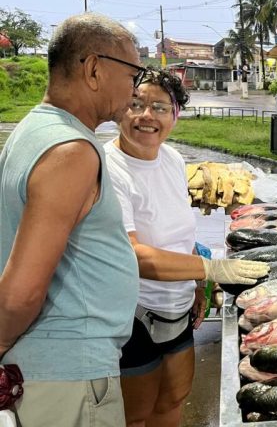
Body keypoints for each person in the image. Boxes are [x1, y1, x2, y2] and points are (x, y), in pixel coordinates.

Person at [0, 12, 144, 426]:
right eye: (132, 72)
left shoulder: (34, 129)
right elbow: (21, 292)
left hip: (56, 370)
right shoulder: (71, 152)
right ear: (95, 69)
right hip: (67, 374)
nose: (135, 88)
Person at [104, 67, 268, 427]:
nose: (147, 116)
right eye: (136, 104)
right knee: (136, 413)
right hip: (135, 312)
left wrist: (197, 284)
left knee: (173, 401)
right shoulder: (109, 169)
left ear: (175, 115)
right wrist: (210, 270)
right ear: (119, 109)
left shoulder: (173, 160)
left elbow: (179, 232)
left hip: (177, 307)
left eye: (160, 107)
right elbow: (133, 254)